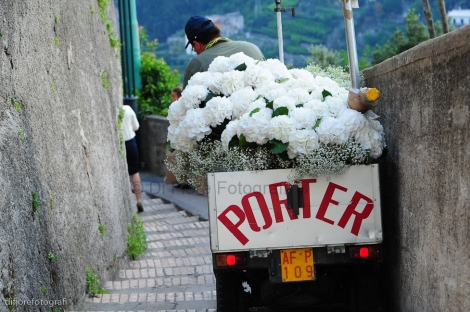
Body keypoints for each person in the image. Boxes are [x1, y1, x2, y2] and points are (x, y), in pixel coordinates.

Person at [183, 15, 265, 88]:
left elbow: (186, 102)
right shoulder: (252, 48)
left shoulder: (197, 63)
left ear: (196, 44)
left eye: (194, 48)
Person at [122, 105, 144, 213]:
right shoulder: (127, 109)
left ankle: (125, 203)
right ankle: (139, 200)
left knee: (122, 173)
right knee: (134, 172)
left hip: (119, 144)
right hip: (130, 142)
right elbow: (136, 127)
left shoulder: (112, 110)